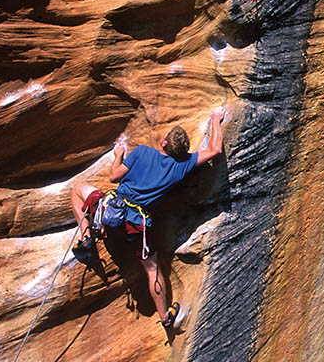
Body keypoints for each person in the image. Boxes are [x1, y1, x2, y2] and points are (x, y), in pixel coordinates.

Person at [70, 109, 224, 331]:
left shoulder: (142, 153)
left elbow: (113, 177)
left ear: (163, 143)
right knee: (152, 269)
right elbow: (215, 149)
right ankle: (165, 317)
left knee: (78, 189)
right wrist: (215, 120)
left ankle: (86, 240)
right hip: (137, 224)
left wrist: (118, 155)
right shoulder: (181, 166)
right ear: (182, 151)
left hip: (113, 211)